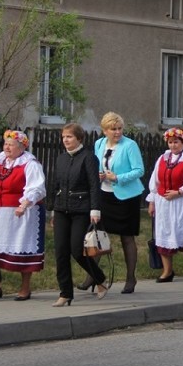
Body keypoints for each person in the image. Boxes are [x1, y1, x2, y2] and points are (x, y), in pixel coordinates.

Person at [85, 112, 145, 294]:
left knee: (126, 237)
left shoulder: (130, 145)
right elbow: (96, 164)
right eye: (113, 129)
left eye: (119, 129)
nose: (117, 132)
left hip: (126, 197)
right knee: (97, 235)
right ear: (104, 131)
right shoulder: (99, 144)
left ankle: (130, 278)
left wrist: (118, 177)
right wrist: (99, 175)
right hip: (104, 194)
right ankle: (92, 275)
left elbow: (139, 170)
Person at [50, 123, 109, 306]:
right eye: (63, 137)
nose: (66, 140)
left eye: (69, 137)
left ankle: (99, 278)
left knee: (77, 250)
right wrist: (53, 209)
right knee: (60, 251)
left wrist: (95, 210)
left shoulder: (88, 158)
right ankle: (65, 292)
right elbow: (56, 185)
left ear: (79, 138)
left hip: (82, 210)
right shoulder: (60, 159)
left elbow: (94, 185)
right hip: (61, 209)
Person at [0, 130, 46, 301]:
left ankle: (25, 288)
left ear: (21, 147)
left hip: (20, 214)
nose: (7, 147)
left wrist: (24, 204)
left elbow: (37, 189)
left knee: (22, 249)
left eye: (11, 144)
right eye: (6, 143)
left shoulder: (30, 164)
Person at [146, 127, 183, 282]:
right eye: (170, 142)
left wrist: (178, 192)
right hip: (163, 203)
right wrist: (152, 201)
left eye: (176, 142)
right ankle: (167, 271)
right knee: (163, 234)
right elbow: (155, 181)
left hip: (182, 203)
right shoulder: (162, 158)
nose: (173, 146)